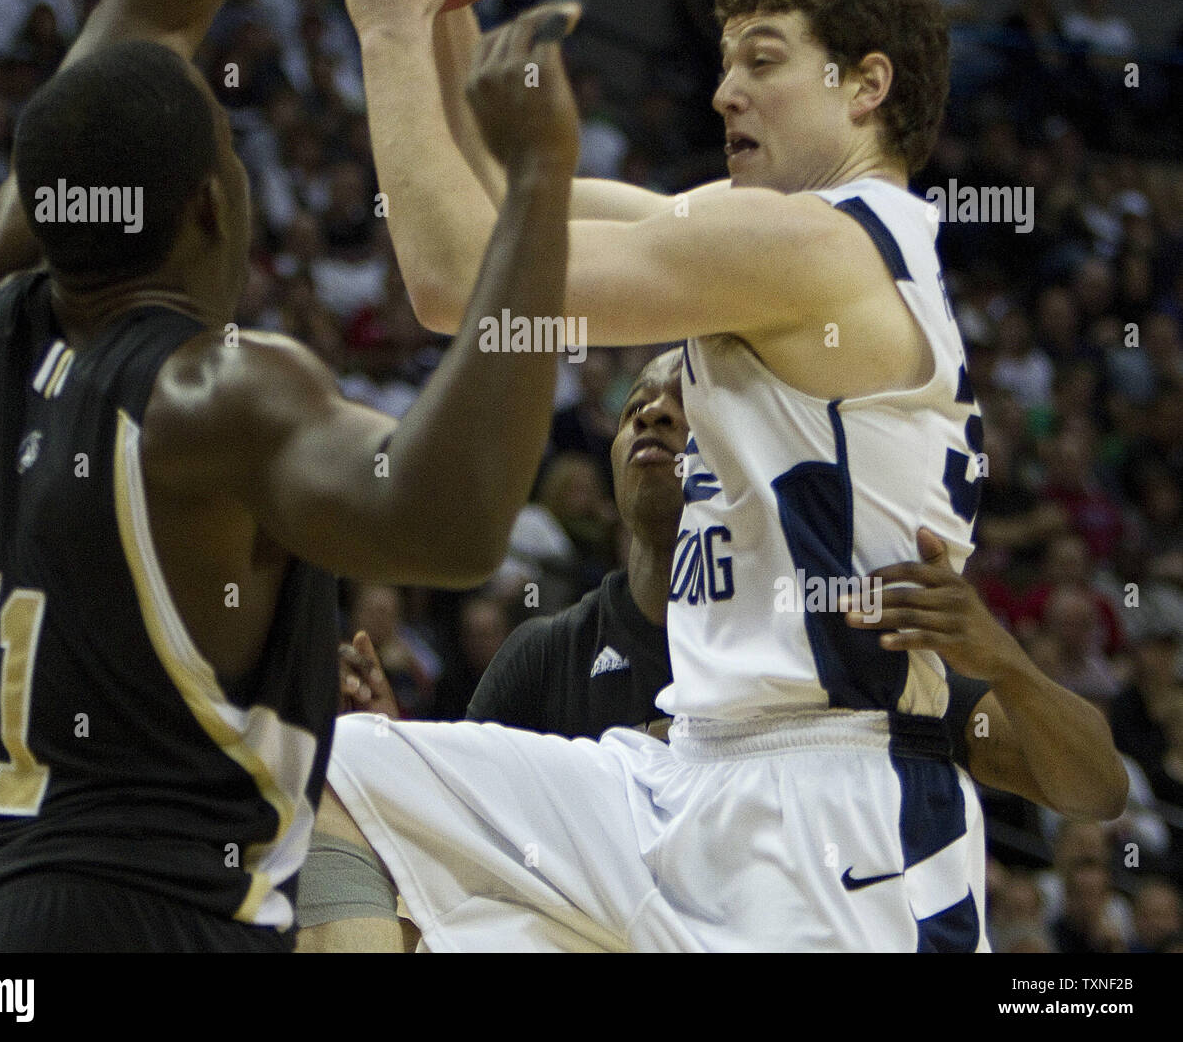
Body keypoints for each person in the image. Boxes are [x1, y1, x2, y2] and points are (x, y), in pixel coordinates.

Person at [298, 0, 1127, 951]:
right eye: (726, 59)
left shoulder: (819, 248)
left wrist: (388, 22)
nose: (724, 88)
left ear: (865, 85)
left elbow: (457, 279)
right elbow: (490, 198)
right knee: (334, 766)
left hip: (833, 820)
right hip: (684, 770)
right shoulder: (777, 243)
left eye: (764, 61)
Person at [0, 0, 584, 954]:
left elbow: (147, 13)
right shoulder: (216, 394)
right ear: (216, 204)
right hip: (143, 924)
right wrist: (534, 186)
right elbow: (454, 518)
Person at [304, 349, 1128, 948]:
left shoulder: (828, 646)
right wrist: (395, 745)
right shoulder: (550, 652)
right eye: (635, 407)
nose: (654, 414)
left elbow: (1095, 786)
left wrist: (1007, 664)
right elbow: (451, 853)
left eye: (683, 403)